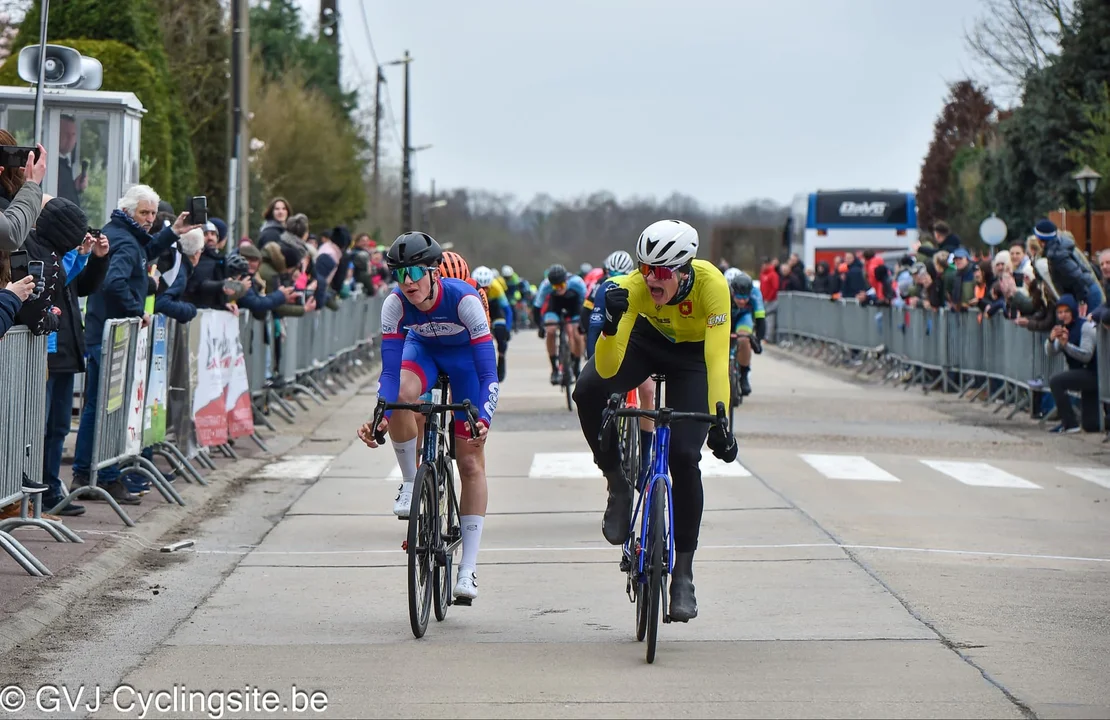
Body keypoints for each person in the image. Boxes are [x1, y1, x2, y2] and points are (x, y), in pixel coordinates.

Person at [572, 219, 738, 622]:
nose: (651, 279)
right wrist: (610, 329)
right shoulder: (632, 289)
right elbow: (609, 367)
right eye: (645, 269)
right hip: (646, 345)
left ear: (685, 270)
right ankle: (616, 482)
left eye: (662, 272)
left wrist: (721, 421)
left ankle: (683, 573)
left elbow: (717, 361)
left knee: (685, 457)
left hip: (694, 360)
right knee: (587, 390)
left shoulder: (711, 287)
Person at [357, 232, 498, 602]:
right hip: (424, 353)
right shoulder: (395, 304)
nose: (407, 282)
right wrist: (381, 413)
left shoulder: (465, 300)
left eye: (415, 272)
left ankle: (468, 569)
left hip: (466, 362)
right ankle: (409, 481)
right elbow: (389, 375)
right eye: (399, 274)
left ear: (434, 271)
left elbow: (488, 373)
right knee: (403, 395)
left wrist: (483, 415)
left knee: (470, 463)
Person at [582, 249, 656, 470]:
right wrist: (592, 365)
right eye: (611, 275)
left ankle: (644, 458)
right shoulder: (603, 287)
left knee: (649, 392)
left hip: (636, 344)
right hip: (612, 338)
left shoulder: (644, 287)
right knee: (601, 389)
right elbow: (593, 327)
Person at [532, 264, 587, 384]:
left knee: (577, 334)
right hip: (555, 307)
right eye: (555, 286)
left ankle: (576, 366)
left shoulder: (577, 282)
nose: (558, 289)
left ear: (566, 280)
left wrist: (584, 324)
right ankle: (554, 369)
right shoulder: (545, 285)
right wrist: (540, 326)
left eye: (561, 285)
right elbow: (537, 307)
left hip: (574, 306)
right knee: (550, 330)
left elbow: (587, 305)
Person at [728, 270, 765, 397]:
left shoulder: (755, 294)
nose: (742, 301)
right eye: (739, 297)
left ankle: (744, 376)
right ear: (733, 292)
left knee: (744, 339)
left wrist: (758, 340)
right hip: (727, 316)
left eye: (745, 298)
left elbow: (760, 319)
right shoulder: (725, 291)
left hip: (744, 317)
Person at [473, 265, 513, 382]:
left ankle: (501, 358)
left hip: (495, 311)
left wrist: (507, 329)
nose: (484, 291)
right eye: (482, 288)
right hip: (478, 311)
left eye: (487, 288)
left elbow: (507, 310)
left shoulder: (496, 287)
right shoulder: (471, 286)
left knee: (501, 334)